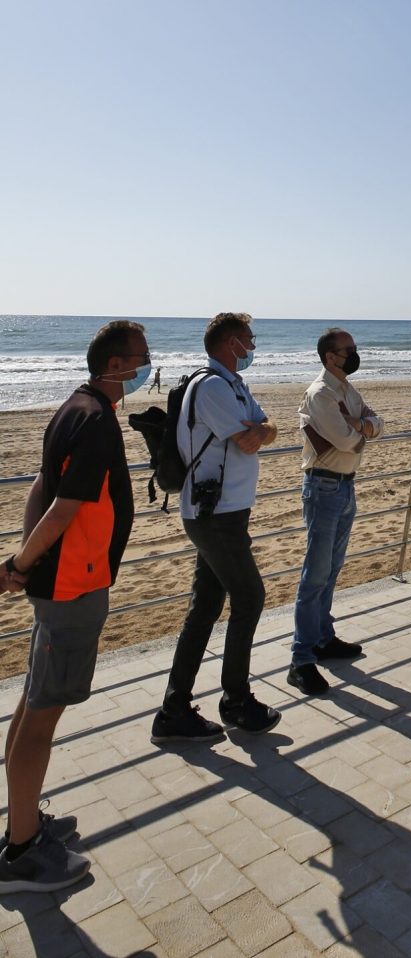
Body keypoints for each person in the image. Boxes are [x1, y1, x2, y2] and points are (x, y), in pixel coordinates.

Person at [0, 320, 146, 893]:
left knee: (34, 700)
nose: (146, 365)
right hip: (72, 587)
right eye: (140, 356)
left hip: (61, 583)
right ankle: (21, 855)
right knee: (42, 715)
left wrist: (21, 558)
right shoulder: (94, 421)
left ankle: (25, 822)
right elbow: (61, 506)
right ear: (115, 365)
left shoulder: (75, 408)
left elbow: (40, 486)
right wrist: (22, 565)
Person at [150, 312, 279, 743]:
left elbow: (267, 429)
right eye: (248, 339)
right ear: (229, 343)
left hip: (226, 513)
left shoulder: (233, 385)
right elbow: (247, 437)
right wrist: (258, 431)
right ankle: (236, 701)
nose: (253, 346)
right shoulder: (211, 387)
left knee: (206, 605)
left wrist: (260, 430)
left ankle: (174, 709)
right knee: (249, 597)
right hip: (215, 515)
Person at [287, 328, 382, 696]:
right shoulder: (321, 394)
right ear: (331, 356)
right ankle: (301, 659)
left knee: (331, 570)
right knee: (315, 574)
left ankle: (323, 638)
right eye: (349, 349)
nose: (355, 353)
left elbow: (374, 423)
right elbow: (347, 440)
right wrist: (362, 429)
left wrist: (360, 426)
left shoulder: (346, 390)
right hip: (324, 486)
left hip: (344, 484)